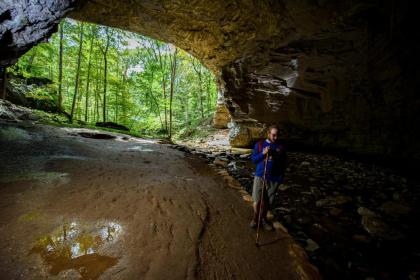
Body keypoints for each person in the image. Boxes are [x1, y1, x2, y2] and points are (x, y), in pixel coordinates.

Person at [249, 125, 287, 231]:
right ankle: (256, 218)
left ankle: (264, 219)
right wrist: (263, 153)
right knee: (257, 200)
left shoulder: (281, 147)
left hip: (274, 178)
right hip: (260, 175)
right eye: (273, 135)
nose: (275, 138)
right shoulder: (260, 145)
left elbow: (284, 164)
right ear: (268, 134)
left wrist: (280, 179)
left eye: (277, 135)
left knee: (268, 202)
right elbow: (254, 160)